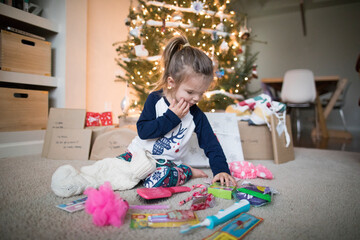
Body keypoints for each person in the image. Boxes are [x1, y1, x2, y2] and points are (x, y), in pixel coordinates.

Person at [118, 35, 237, 188]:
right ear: (171, 82)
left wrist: (221, 170)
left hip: (165, 165)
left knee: (157, 181)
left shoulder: (196, 115)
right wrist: (171, 117)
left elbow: (211, 143)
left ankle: (186, 172)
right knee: (112, 170)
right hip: (138, 154)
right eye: (190, 92)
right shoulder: (155, 100)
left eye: (201, 93)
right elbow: (143, 132)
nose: (196, 99)